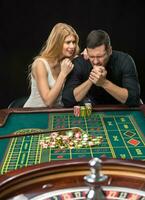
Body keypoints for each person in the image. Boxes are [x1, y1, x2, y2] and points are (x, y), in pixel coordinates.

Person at [62, 29, 141, 107]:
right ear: (87, 51)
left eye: (100, 56)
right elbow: (67, 100)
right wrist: (91, 79)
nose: (95, 61)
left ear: (109, 50)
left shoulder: (125, 60)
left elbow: (134, 99)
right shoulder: (79, 62)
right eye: (92, 56)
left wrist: (104, 83)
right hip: (91, 112)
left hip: (120, 109)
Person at [24, 23, 79, 108]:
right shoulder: (40, 64)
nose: (72, 46)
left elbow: (80, 55)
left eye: (74, 42)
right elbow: (48, 101)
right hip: (34, 114)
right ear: (57, 43)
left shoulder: (65, 61)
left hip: (56, 113)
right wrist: (63, 74)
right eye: (68, 42)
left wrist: (87, 53)